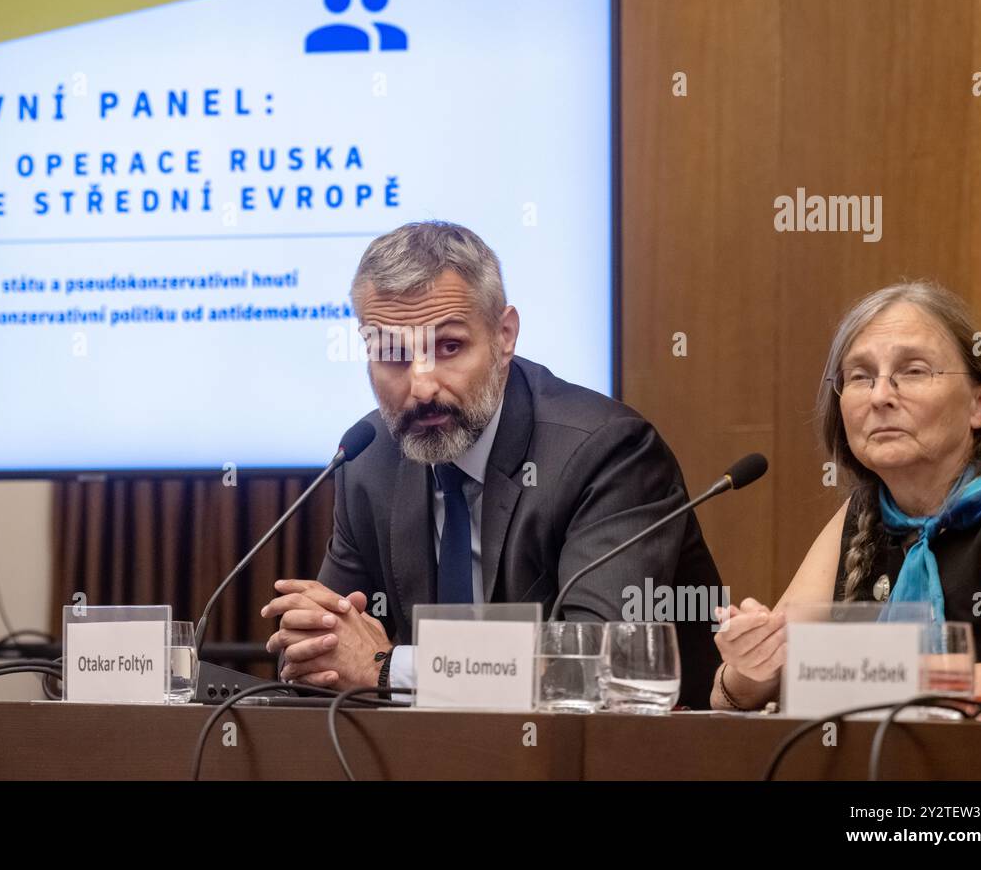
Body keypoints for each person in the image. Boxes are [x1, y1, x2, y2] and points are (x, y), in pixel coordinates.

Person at [262, 220, 725, 707]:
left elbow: (595, 667)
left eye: (449, 347)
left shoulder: (607, 452)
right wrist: (313, 644)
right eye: (393, 354)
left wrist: (389, 669)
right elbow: (324, 659)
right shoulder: (369, 457)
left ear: (505, 335)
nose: (421, 387)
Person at [711, 281, 981, 710]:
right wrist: (752, 662)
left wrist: (884, 673)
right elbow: (731, 699)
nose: (880, 396)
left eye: (914, 371)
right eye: (860, 377)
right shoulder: (863, 514)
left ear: (979, 402)